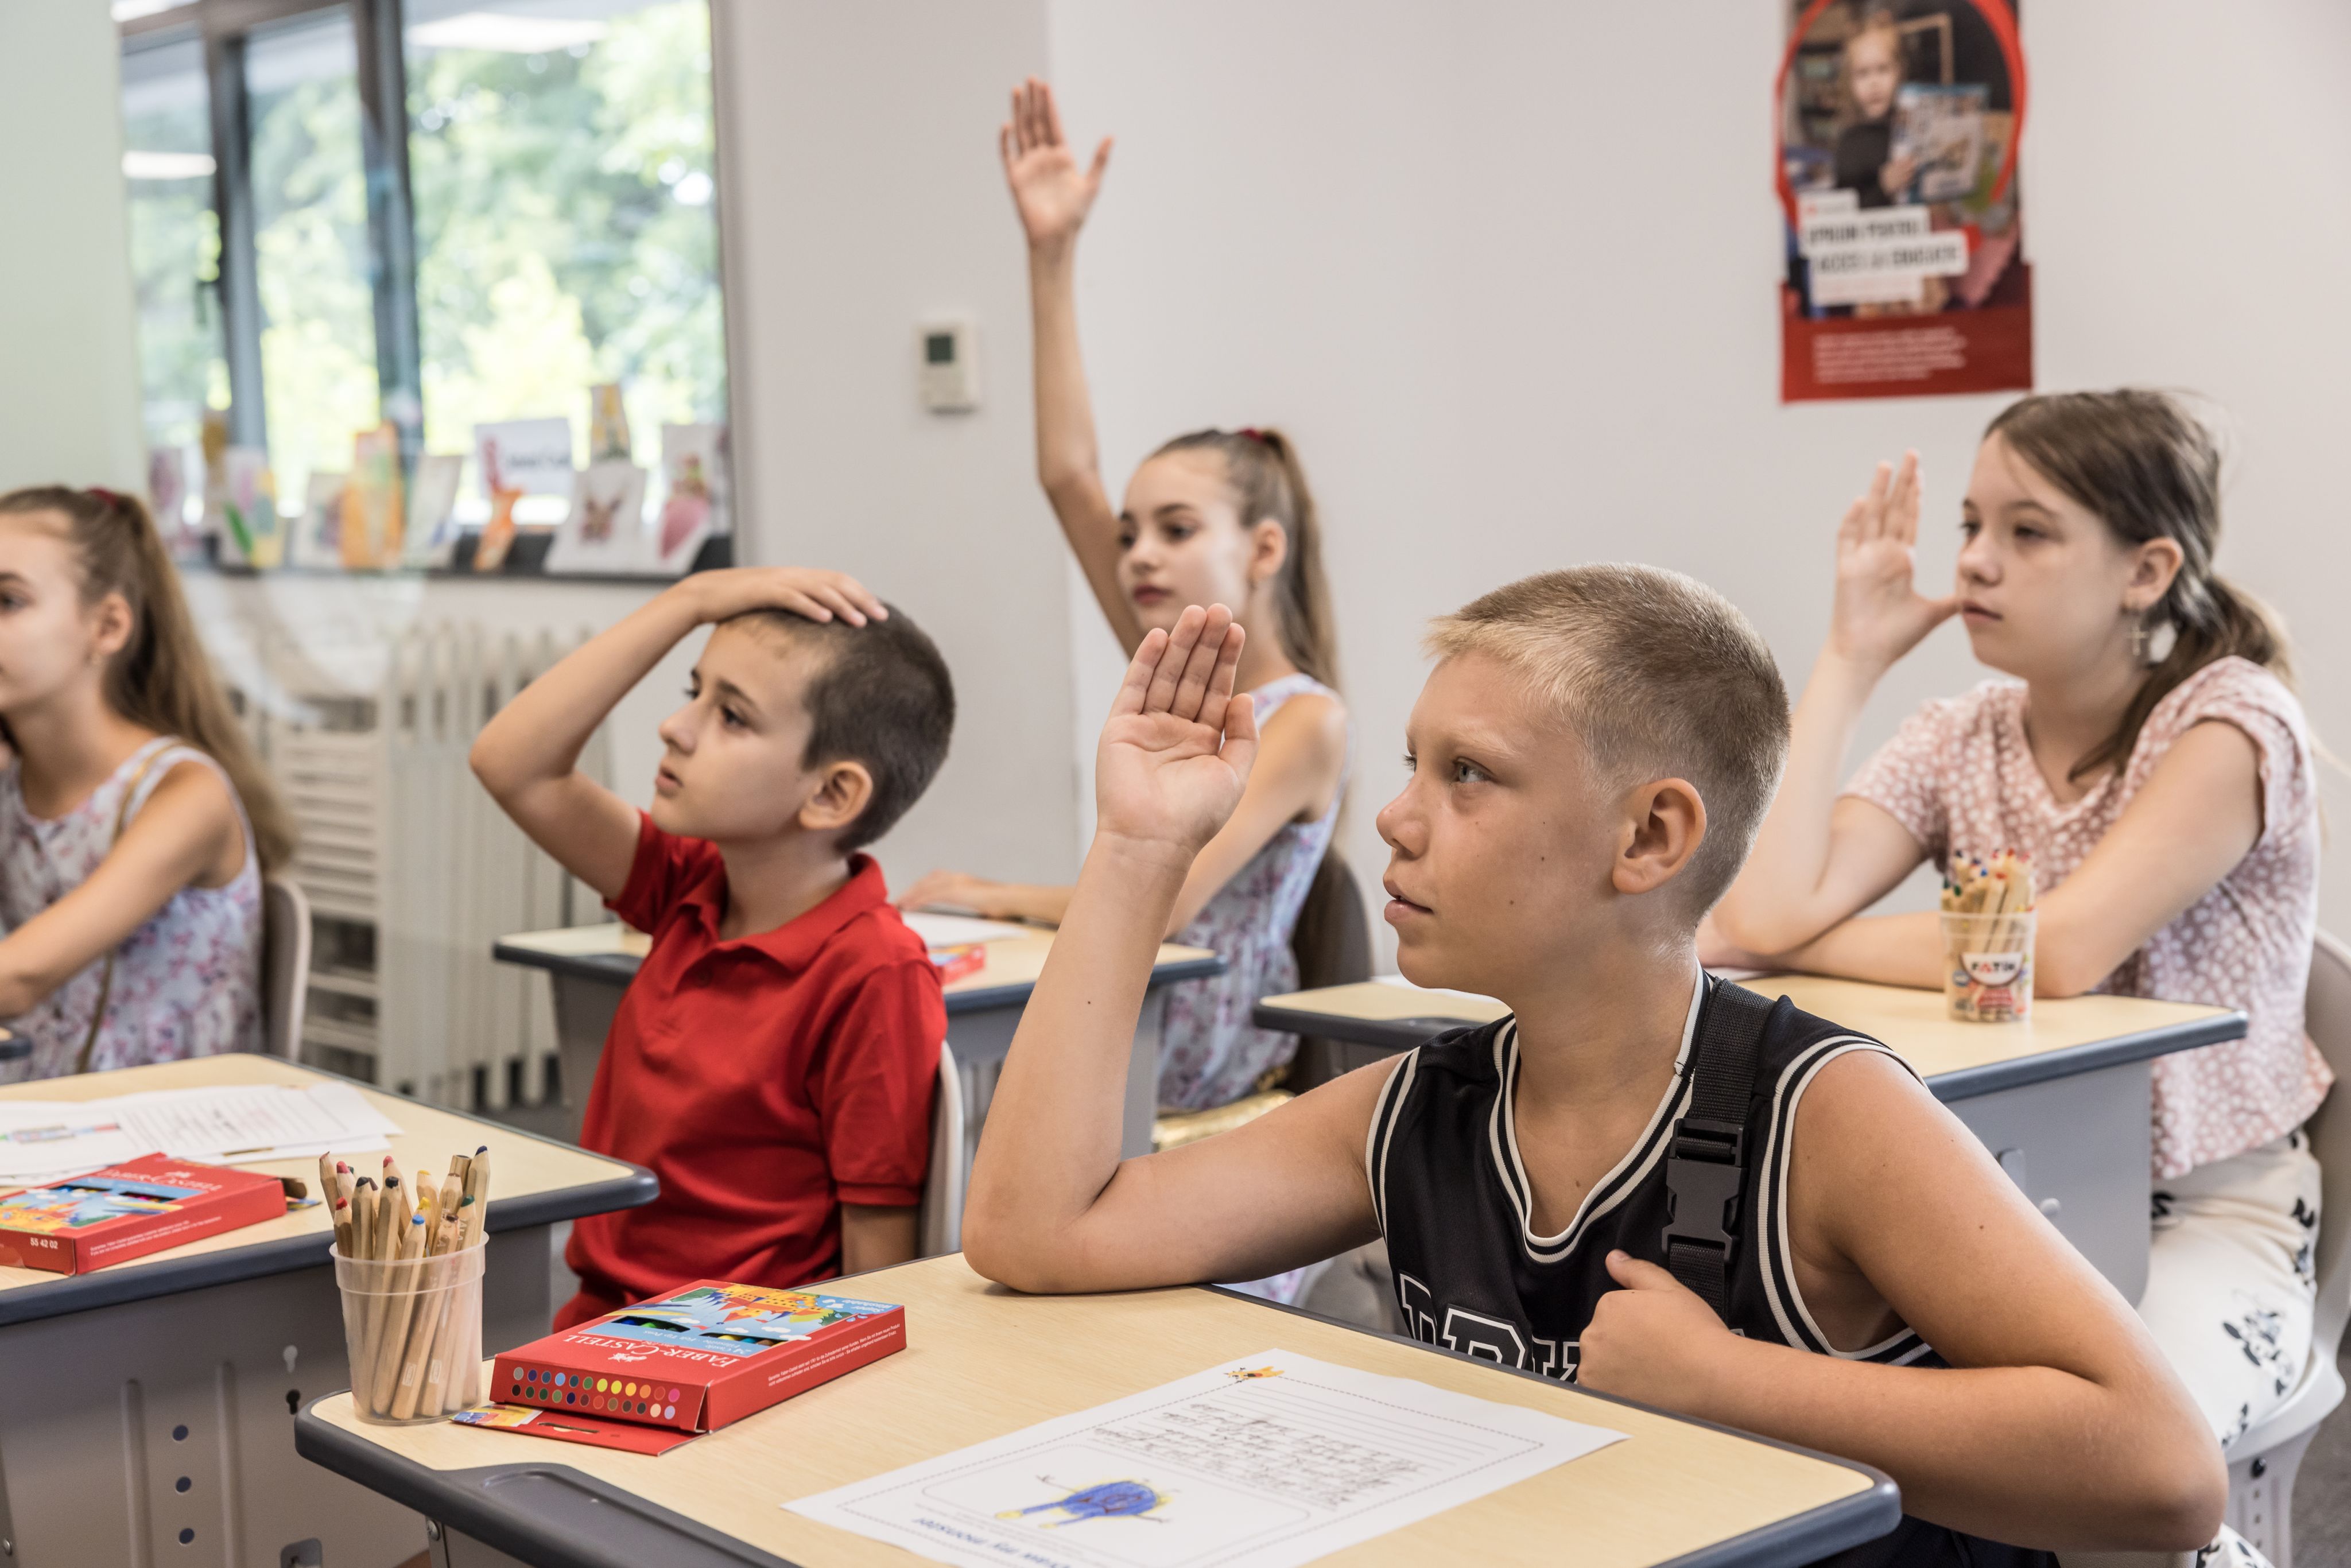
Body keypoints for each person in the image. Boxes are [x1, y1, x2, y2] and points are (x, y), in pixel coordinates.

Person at [963, 587, 2225, 1559]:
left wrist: (1731, 1384)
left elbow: (2162, 1467)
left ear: (1647, 837)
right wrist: (1137, 848)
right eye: (1411, 763)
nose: (1396, 818)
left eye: (1466, 774)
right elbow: (1036, 1230)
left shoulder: (1826, 1113)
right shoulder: (1416, 1107)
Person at [1707, 391, 2329, 1492]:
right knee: (1835, 1445)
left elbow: (2060, 954)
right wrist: (1849, 655)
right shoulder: (1960, 733)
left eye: (2026, 531)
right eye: (1970, 526)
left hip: (2205, 1211)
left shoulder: (2233, 721)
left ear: (2145, 571)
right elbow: (1756, 917)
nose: (1974, 565)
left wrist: (1831, 936)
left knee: (2114, 1471)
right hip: (2006, 1201)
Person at [897, 77, 1350, 1117]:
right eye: (1130, 533)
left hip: (1204, 1069)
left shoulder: (1307, 721)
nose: (1140, 555)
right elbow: (1066, 474)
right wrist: (1048, 254)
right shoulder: (1175, 668)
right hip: (1131, 1039)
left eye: (1177, 531)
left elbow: (1167, 892)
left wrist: (984, 893)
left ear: (1264, 546)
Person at [471, 568, 954, 1328]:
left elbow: (883, 1268)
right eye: (692, 691)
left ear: (831, 795)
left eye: (731, 715)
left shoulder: (873, 973)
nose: (677, 727)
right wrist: (688, 602)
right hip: (604, 1329)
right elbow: (512, 763)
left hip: (740, 1357)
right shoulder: (689, 885)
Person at [0, 486, 293, 1078]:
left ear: (107, 626)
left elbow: (18, 978)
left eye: (8, 600)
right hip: (42, 1125)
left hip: (174, 1148)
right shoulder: (12, 777)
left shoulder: (185, 796)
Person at [1833, 10, 1915, 209]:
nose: (1874, 83)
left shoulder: (1910, 128)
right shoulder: (1850, 144)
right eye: (1863, 74)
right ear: (1850, 83)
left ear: (1900, 72)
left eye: (1883, 69)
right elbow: (1844, 217)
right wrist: (1884, 187)